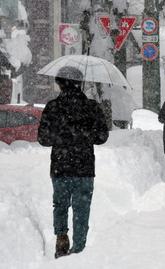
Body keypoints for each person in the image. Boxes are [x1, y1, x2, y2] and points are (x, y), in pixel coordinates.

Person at [38, 66, 109, 258]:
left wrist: (62, 136)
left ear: (59, 83)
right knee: (81, 208)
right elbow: (102, 137)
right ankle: (79, 248)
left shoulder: (53, 107)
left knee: (60, 204)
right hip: (84, 167)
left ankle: (61, 236)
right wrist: (84, 134)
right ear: (80, 83)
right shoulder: (92, 107)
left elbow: (43, 139)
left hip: (60, 166)